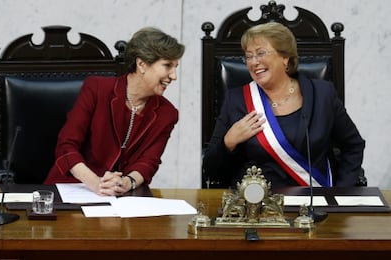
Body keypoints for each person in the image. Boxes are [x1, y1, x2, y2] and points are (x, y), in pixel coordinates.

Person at [203, 22, 365, 188]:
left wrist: (342, 193)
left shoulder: (322, 94)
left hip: (314, 203)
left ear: (285, 58)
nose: (254, 62)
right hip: (258, 206)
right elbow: (210, 169)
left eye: (261, 53)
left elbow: (353, 145)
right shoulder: (236, 100)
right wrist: (229, 141)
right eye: (249, 56)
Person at [44, 27, 185, 196]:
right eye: (167, 66)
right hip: (72, 189)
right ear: (142, 64)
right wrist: (96, 183)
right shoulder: (96, 89)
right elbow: (66, 146)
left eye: (175, 67)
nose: (174, 76)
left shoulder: (167, 113)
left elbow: (149, 162)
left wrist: (126, 183)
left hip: (121, 199)